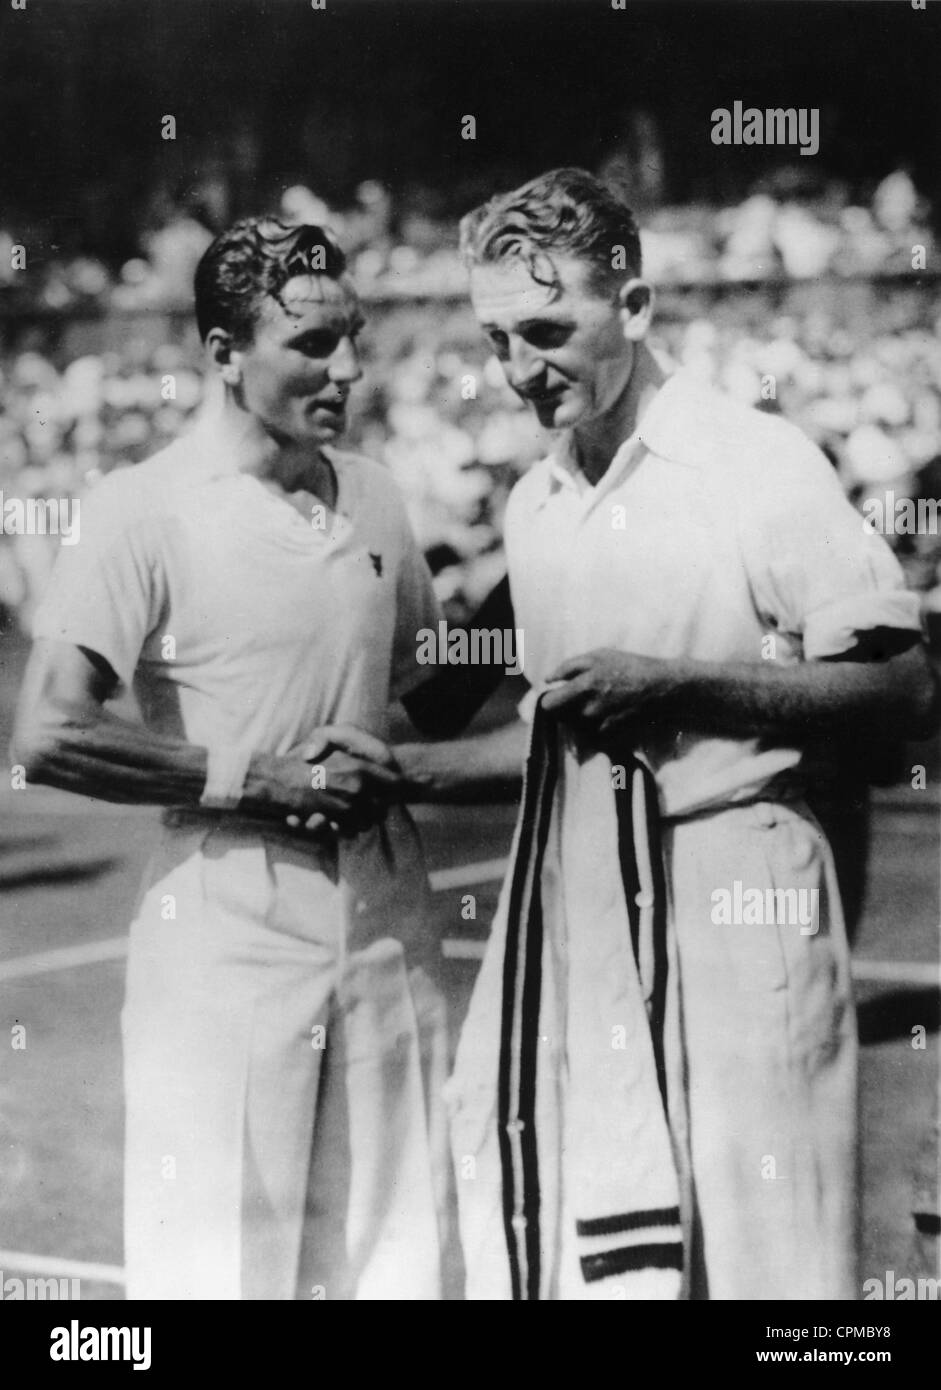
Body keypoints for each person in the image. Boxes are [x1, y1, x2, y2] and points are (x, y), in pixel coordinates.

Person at [385, 168, 939, 1300]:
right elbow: (562, 742)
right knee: (620, 1256)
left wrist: (678, 686)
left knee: (769, 1261)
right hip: (586, 899)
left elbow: (899, 685)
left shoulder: (752, 459)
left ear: (631, 307)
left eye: (546, 330)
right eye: (496, 341)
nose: (517, 370)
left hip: (740, 888)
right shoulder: (533, 505)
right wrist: (392, 769)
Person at [12, 218, 450, 1300]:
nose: (344, 367)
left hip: (388, 919)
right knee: (220, 1274)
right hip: (225, 927)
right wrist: (259, 777)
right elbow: (52, 730)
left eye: (349, 337)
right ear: (221, 352)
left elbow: (428, 685)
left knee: (399, 1263)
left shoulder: (377, 495)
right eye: (309, 343)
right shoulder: (141, 508)